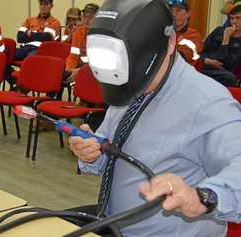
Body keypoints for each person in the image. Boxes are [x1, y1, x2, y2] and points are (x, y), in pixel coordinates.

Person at [69, 0, 241, 236]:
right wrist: (91, 152)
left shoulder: (209, 103)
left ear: (170, 43)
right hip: (112, 222)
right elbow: (111, 146)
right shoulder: (128, 86)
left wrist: (201, 197)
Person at [200, 2, 241, 87]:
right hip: (206, 67)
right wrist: (206, 60)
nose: (234, 21)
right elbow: (202, 52)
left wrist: (226, 40)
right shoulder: (219, 31)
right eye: (232, 18)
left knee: (230, 78)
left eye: (238, 18)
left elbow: (227, 64)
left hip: (224, 72)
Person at [65, 3, 99, 81]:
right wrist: (68, 69)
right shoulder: (78, 32)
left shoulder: (101, 36)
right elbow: (73, 55)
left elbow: (99, 64)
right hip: (79, 67)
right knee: (60, 76)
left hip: (95, 72)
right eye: (85, 16)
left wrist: (80, 71)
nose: (87, 20)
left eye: (90, 17)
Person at [169, 0, 203, 66]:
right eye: (171, 11)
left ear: (188, 13)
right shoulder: (167, 32)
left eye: (178, 10)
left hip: (179, 72)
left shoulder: (194, 36)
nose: (173, 14)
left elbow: (178, 59)